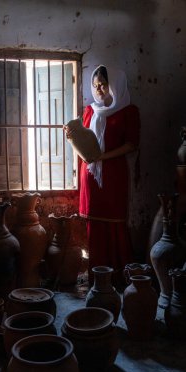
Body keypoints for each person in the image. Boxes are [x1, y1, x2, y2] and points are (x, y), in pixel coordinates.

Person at [64, 64, 140, 287]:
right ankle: (98, 278)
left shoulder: (128, 111)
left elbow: (131, 144)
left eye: (103, 85)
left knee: (116, 223)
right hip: (91, 176)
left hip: (113, 174)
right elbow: (84, 145)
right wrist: (71, 137)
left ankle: (118, 277)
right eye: (95, 86)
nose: (98, 90)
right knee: (94, 226)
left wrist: (103, 157)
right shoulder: (89, 111)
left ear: (114, 85)